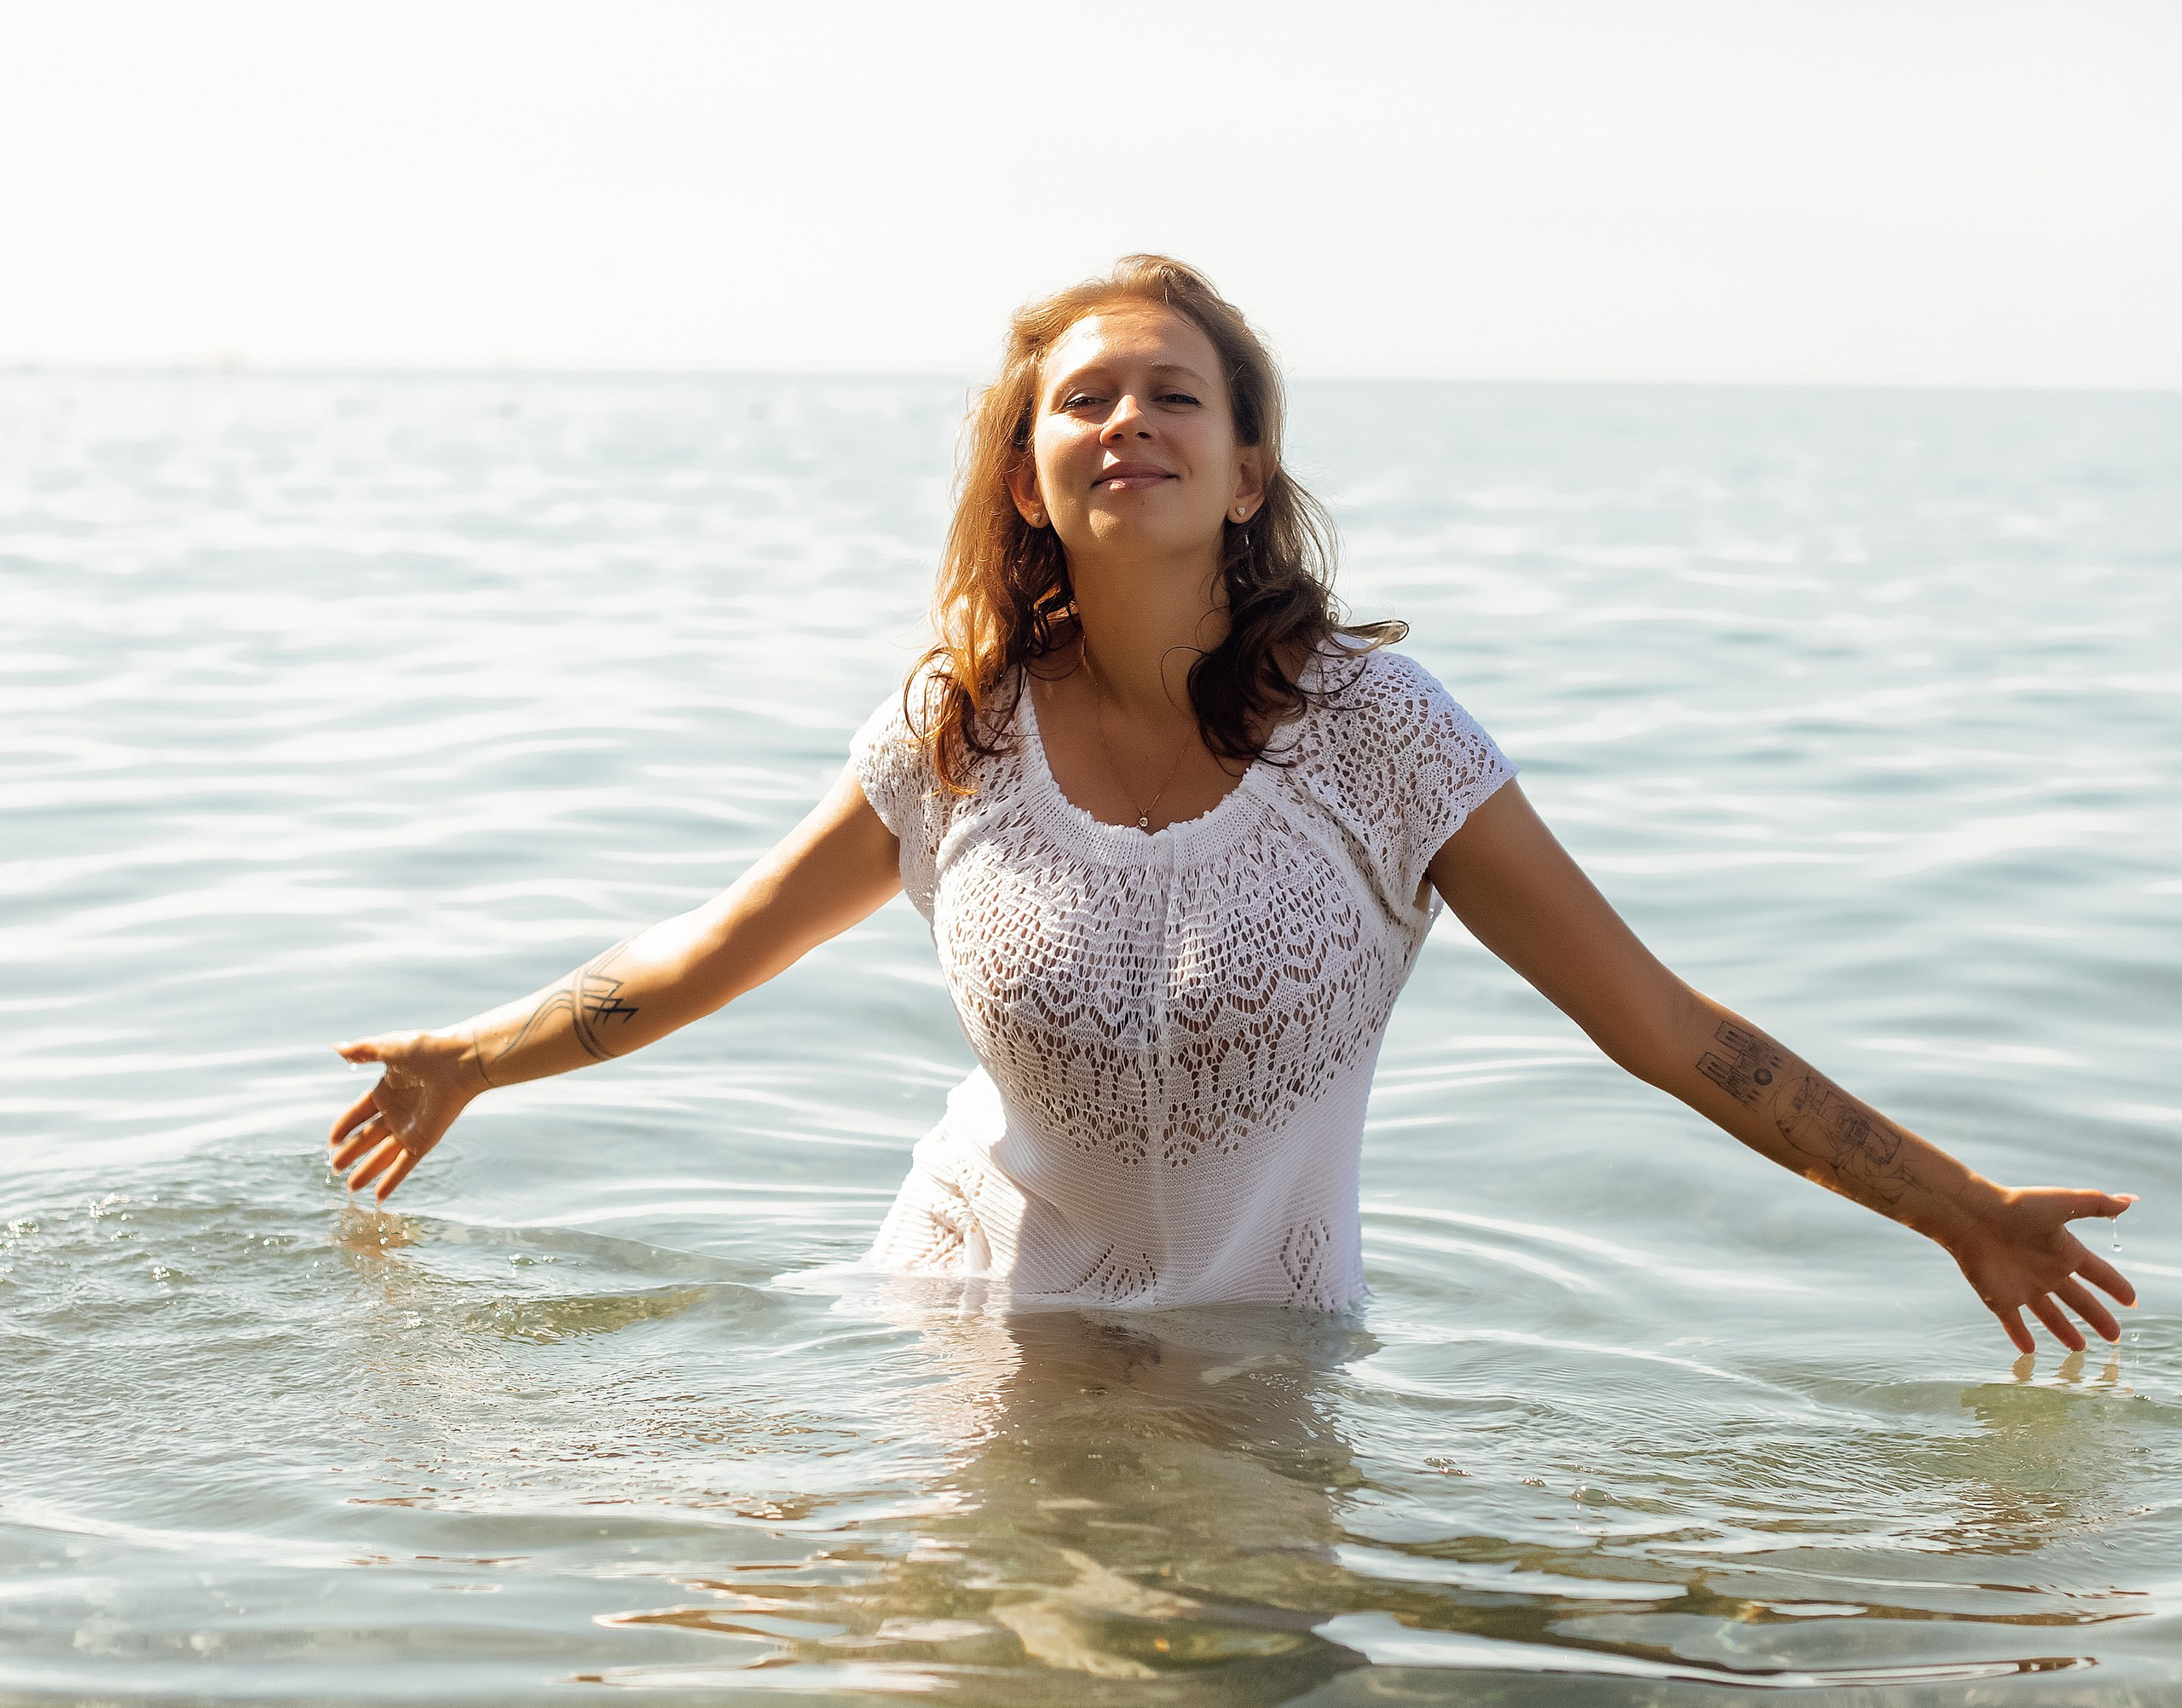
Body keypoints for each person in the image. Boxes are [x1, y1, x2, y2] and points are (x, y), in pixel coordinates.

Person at [329, 254, 2134, 1353]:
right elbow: (711, 950)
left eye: (1171, 393)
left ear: (1245, 465)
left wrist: (1951, 1208)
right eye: (1081, 398)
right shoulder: (951, 734)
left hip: (1255, 1367)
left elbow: (1661, 1029)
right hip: (962, 1333)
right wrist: (477, 1057)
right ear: (1028, 477)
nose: (1127, 419)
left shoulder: (1382, 741)